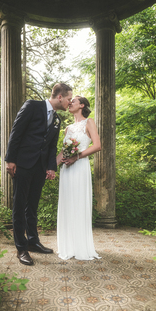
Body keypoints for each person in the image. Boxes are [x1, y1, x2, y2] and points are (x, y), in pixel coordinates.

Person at [5, 83, 73, 266]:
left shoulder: (57, 119)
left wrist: (51, 167)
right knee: (19, 205)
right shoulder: (32, 106)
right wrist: (10, 160)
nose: (70, 102)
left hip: (40, 168)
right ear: (60, 97)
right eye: (68, 99)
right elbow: (16, 132)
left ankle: (33, 241)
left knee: (32, 206)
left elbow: (51, 146)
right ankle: (21, 248)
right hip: (23, 164)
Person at [56, 96, 101, 260]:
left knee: (79, 203)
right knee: (68, 204)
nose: (70, 103)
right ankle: (69, 246)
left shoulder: (89, 122)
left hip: (80, 167)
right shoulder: (67, 128)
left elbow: (97, 145)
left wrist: (77, 157)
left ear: (82, 105)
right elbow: (63, 152)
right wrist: (50, 168)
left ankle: (81, 246)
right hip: (66, 171)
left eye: (73, 101)